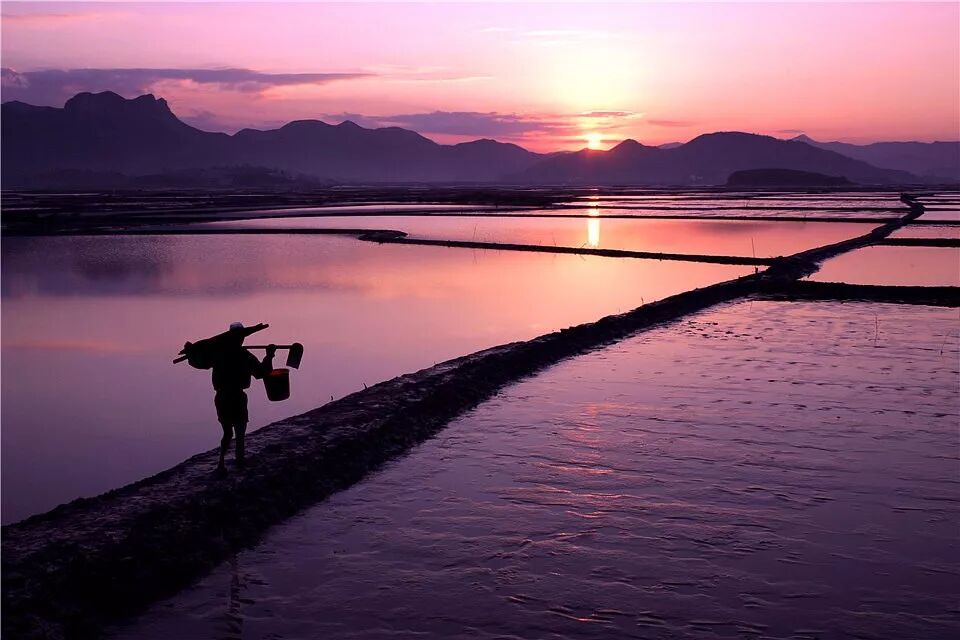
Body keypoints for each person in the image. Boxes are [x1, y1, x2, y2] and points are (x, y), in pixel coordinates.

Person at [187, 322, 276, 471]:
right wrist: (269, 356)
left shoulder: (218, 354)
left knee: (227, 432)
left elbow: (198, 362)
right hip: (236, 397)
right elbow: (261, 373)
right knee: (239, 432)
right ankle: (239, 463)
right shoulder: (244, 355)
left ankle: (221, 463)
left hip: (222, 398)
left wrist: (191, 354)